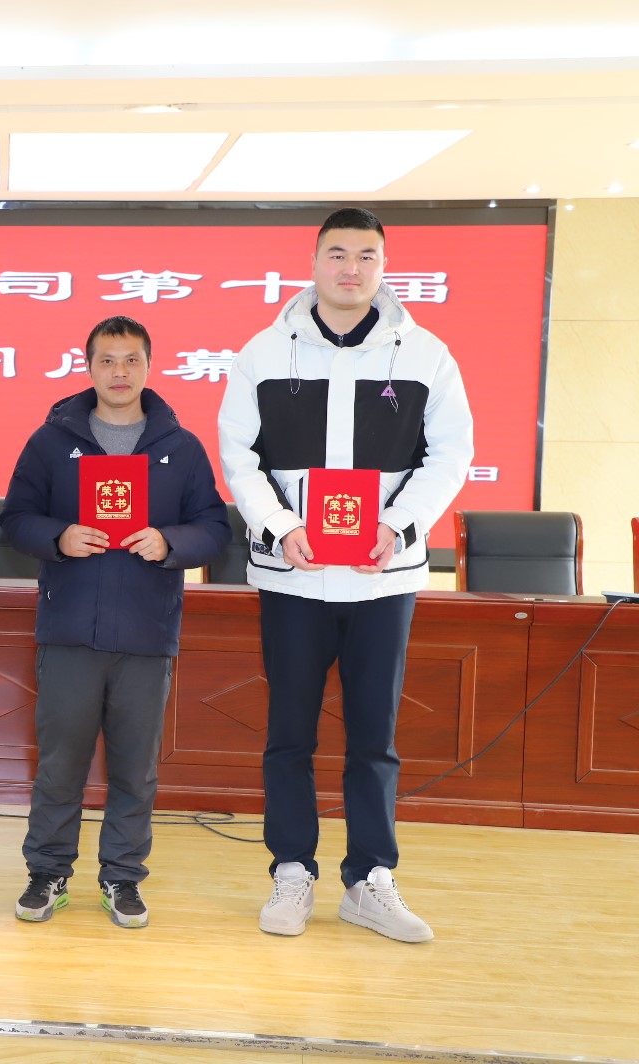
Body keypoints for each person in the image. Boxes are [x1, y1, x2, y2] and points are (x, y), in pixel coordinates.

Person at [217, 207, 473, 943]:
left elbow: (451, 454)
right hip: (292, 578)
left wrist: (399, 524)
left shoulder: (426, 355)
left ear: (384, 267)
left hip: (383, 579)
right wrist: (281, 526)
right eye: (337, 254)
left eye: (366, 256)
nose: (351, 268)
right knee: (288, 736)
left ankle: (370, 879)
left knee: (374, 738)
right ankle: (291, 870)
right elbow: (239, 456)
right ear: (314, 262)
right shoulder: (265, 352)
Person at [0, 316, 230, 926]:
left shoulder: (180, 447)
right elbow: (15, 518)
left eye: (131, 360)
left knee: (135, 769)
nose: (119, 372)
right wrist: (59, 536)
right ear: (89, 367)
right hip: (70, 630)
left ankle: (122, 877)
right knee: (60, 764)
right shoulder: (52, 441)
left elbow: (214, 528)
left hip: (146, 634)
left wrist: (170, 542)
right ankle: (47, 873)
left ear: (149, 367)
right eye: (107, 360)